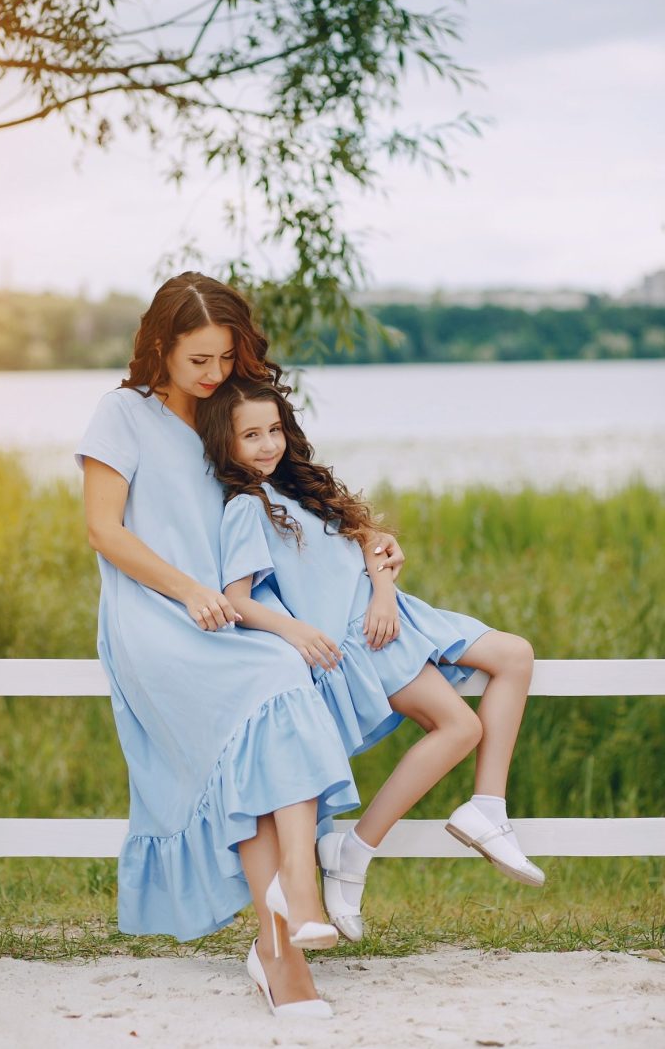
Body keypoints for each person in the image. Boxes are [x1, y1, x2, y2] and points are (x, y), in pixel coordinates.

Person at [76, 272, 405, 1017]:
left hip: (235, 616)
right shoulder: (121, 413)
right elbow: (104, 529)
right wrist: (187, 589)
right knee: (273, 684)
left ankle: (284, 936)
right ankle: (290, 919)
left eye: (225, 357)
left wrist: (365, 538)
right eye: (199, 359)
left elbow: (294, 494)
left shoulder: (232, 410)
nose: (215, 373)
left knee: (279, 685)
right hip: (155, 617)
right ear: (161, 345)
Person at [196, 377, 544, 944]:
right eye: (250, 435)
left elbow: (367, 545)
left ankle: (486, 805)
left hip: (390, 614)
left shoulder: (301, 491)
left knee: (514, 655)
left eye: (274, 430)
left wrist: (383, 591)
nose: (267, 445)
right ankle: (353, 852)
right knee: (459, 725)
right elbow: (237, 598)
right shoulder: (245, 508)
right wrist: (295, 629)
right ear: (225, 444)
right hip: (360, 643)